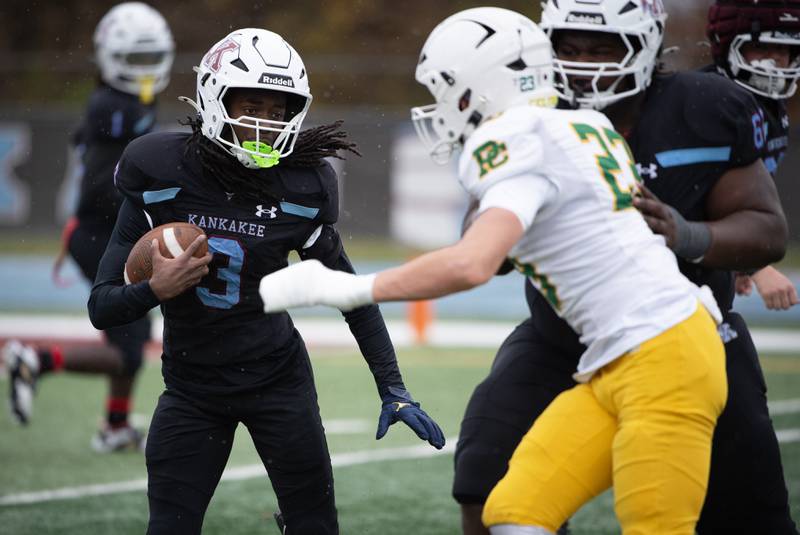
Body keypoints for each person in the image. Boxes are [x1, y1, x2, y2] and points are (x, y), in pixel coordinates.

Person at [259, 7, 731, 533]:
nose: (441, 107)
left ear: (481, 84)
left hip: (664, 357)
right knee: (514, 513)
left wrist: (347, 287)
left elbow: (474, 262)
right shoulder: (585, 123)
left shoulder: (514, 137)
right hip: (621, 359)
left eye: (448, 90)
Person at [449, 1, 798, 534]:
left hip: (690, 335)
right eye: (569, 49)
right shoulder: (532, 115)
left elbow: (767, 230)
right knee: (485, 475)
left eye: (602, 48)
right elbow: (482, 244)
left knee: (749, 511)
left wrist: (689, 234)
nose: (584, 65)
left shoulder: (703, 107)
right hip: (563, 337)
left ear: (646, 47)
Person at [86, 27, 444, 534]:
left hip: (277, 381)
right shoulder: (160, 170)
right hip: (191, 389)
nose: (264, 122)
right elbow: (102, 306)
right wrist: (154, 290)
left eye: (277, 110)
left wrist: (394, 387)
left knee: (315, 526)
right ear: (214, 97)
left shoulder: (303, 183)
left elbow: (351, 295)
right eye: (250, 105)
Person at [3, 2, 174, 453]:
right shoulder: (113, 104)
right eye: (135, 58)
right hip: (101, 234)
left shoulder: (123, 100)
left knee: (132, 337)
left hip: (100, 231)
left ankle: (116, 425)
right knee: (127, 349)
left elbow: (91, 148)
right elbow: (104, 184)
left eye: (149, 57)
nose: (144, 70)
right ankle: (36, 360)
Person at [707, 0, 800, 311]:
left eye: (784, 51)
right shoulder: (706, 103)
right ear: (728, 45)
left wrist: (734, 260)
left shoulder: (769, 107)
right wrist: (754, 265)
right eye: (763, 49)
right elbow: (687, 201)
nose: (776, 62)